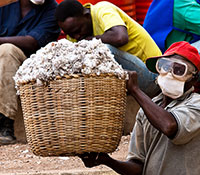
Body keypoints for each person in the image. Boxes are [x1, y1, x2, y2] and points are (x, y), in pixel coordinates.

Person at [79, 41, 200, 175]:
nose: (169, 74)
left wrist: (136, 90)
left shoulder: (199, 104)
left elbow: (169, 126)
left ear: (193, 79)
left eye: (179, 70)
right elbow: (138, 169)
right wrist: (106, 160)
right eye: (164, 66)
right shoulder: (147, 110)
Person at [54, 0, 162, 98]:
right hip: (132, 78)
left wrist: (91, 40)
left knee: (101, 49)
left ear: (86, 16)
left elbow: (121, 37)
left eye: (78, 30)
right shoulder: (76, 34)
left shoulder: (103, 9)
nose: (76, 37)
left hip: (153, 77)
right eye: (71, 35)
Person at [0, 0, 60, 145]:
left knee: (7, 50)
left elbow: (32, 42)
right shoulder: (5, 5)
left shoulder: (52, 9)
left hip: (30, 64)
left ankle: (4, 124)